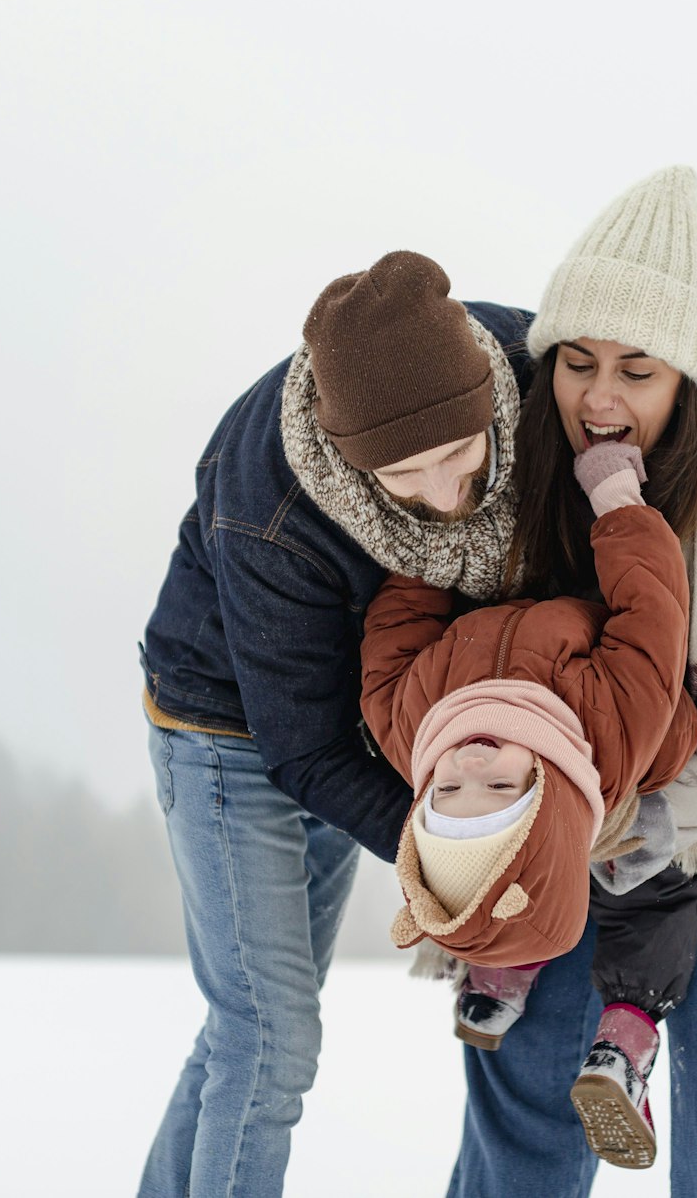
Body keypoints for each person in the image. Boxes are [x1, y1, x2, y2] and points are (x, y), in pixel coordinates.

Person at [447, 166, 697, 1196]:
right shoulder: (513, 485)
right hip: (550, 800)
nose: (599, 396)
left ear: (688, 380)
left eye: (636, 369)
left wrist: (637, 813)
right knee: (524, 1069)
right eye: (575, 362)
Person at [136, 250, 535, 1198]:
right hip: (229, 731)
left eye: (461, 453)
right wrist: (450, 855)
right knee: (269, 1039)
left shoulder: (523, 359)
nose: (447, 496)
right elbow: (301, 747)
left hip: (354, 720)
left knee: (250, 1030)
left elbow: (656, 385)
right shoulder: (269, 506)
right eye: (407, 473)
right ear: (350, 454)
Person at [358, 438, 697, 1169]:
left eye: (447, 792)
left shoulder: (412, 724)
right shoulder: (614, 725)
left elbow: (394, 632)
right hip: (596, 789)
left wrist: (436, 529)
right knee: (659, 891)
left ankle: (501, 965)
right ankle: (624, 1031)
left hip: (556, 816)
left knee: (530, 885)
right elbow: (654, 613)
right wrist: (615, 501)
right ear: (541, 791)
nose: (467, 763)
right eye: (498, 788)